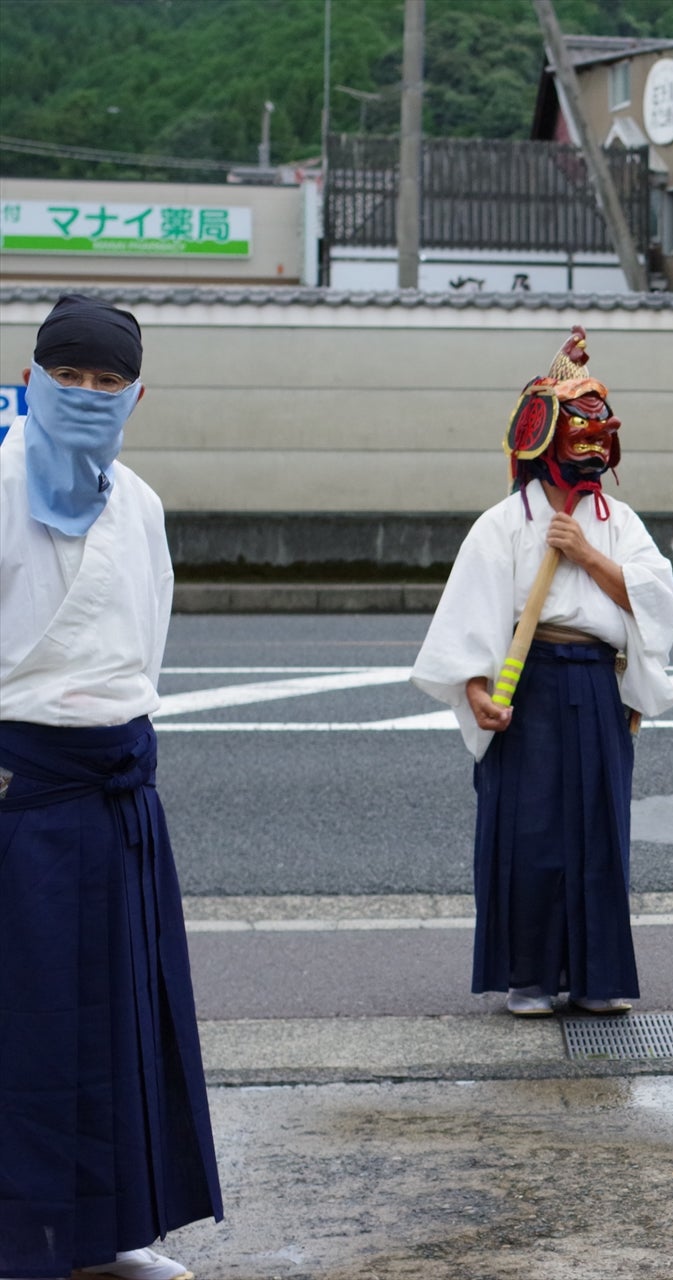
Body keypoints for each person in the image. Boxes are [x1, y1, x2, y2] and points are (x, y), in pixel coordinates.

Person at [0, 297, 222, 1279]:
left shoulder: (140, 502)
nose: (87, 396)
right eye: (70, 376)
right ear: (32, 374)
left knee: (119, 1012)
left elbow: (149, 646)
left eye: (106, 382)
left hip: (117, 786)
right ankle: (21, 1235)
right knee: (26, 1018)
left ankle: (109, 1230)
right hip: (19, 791)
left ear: (137, 392)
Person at [411, 326, 673, 1018]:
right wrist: (475, 692)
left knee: (598, 832)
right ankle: (528, 977)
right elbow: (465, 621)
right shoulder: (503, 524)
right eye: (578, 428)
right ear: (543, 435)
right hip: (522, 683)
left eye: (600, 430)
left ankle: (595, 977)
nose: (592, 441)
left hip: (594, 683)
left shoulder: (616, 521)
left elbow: (657, 601)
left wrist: (587, 554)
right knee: (527, 832)